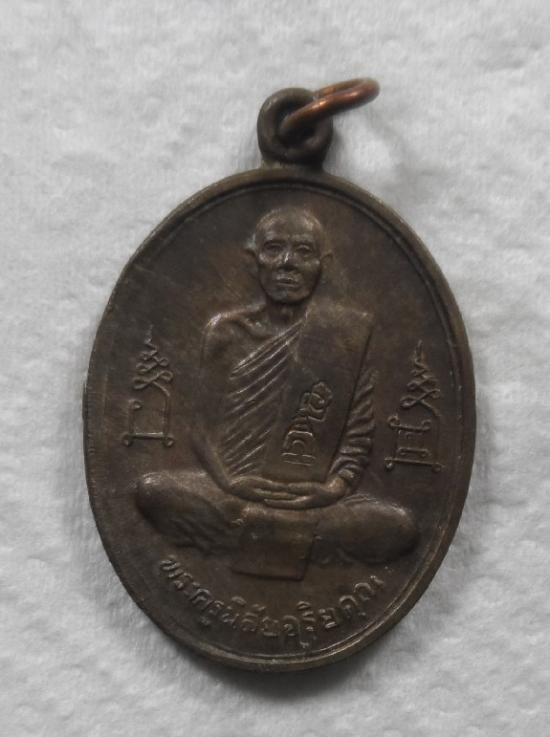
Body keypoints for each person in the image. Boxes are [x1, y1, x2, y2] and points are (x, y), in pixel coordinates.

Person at [136, 206, 418, 579]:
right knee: (153, 491)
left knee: (398, 525)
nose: (287, 263)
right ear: (254, 260)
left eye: (303, 252)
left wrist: (333, 491)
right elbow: (200, 430)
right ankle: (297, 541)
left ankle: (256, 535)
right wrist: (230, 482)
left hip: (315, 501)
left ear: (322, 264)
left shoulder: (345, 336)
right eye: (273, 249)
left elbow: (358, 438)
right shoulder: (226, 333)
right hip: (233, 492)